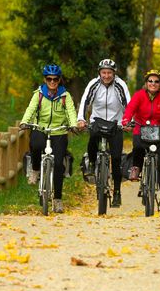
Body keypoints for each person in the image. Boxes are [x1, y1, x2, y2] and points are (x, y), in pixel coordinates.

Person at [19, 64, 79, 213]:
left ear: (59, 80)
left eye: (55, 79)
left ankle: (58, 199)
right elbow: (31, 108)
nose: (52, 82)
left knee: (59, 165)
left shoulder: (65, 96)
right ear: (45, 80)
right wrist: (24, 121)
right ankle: (35, 169)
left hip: (59, 131)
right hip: (41, 128)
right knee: (35, 143)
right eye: (49, 79)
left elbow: (71, 111)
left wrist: (73, 125)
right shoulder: (38, 94)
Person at [121, 69, 160, 212]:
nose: (153, 84)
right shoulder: (139, 95)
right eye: (150, 81)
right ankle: (136, 168)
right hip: (140, 129)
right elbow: (130, 109)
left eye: (156, 81)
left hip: (157, 132)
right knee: (137, 147)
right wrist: (126, 120)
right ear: (146, 83)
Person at [77, 58, 130, 207]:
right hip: (97, 121)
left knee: (117, 158)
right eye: (103, 72)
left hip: (116, 124)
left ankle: (117, 193)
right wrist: (81, 119)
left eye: (109, 73)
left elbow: (128, 104)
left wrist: (127, 121)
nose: (106, 76)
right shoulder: (93, 84)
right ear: (99, 73)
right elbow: (85, 101)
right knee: (92, 141)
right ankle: (93, 163)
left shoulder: (120, 85)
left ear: (114, 73)